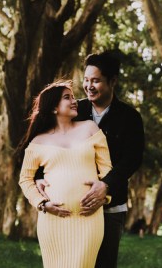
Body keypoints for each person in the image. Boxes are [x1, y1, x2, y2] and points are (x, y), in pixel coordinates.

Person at [37, 51, 145, 268]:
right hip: (71, 207)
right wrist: (39, 176)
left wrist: (105, 186)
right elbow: (46, 142)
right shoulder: (75, 109)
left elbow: (131, 160)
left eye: (96, 80)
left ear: (112, 81)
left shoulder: (129, 117)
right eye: (86, 80)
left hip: (110, 208)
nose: (89, 86)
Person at [17, 80, 113, 268]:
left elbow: (107, 171)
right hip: (53, 221)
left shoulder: (90, 128)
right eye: (67, 97)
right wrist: (42, 204)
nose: (74, 100)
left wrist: (104, 197)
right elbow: (25, 179)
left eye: (73, 96)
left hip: (89, 219)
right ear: (54, 108)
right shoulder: (38, 141)